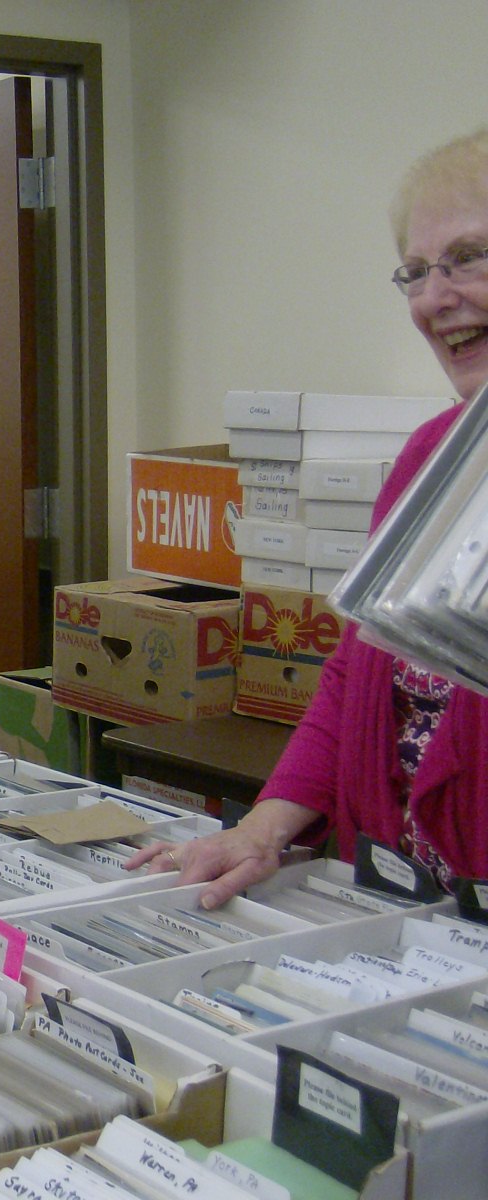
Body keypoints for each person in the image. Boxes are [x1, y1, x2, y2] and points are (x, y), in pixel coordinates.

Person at [129, 126, 488, 909]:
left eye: (468, 258)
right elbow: (358, 672)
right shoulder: (431, 457)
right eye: (417, 271)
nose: (434, 299)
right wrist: (262, 828)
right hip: (395, 908)